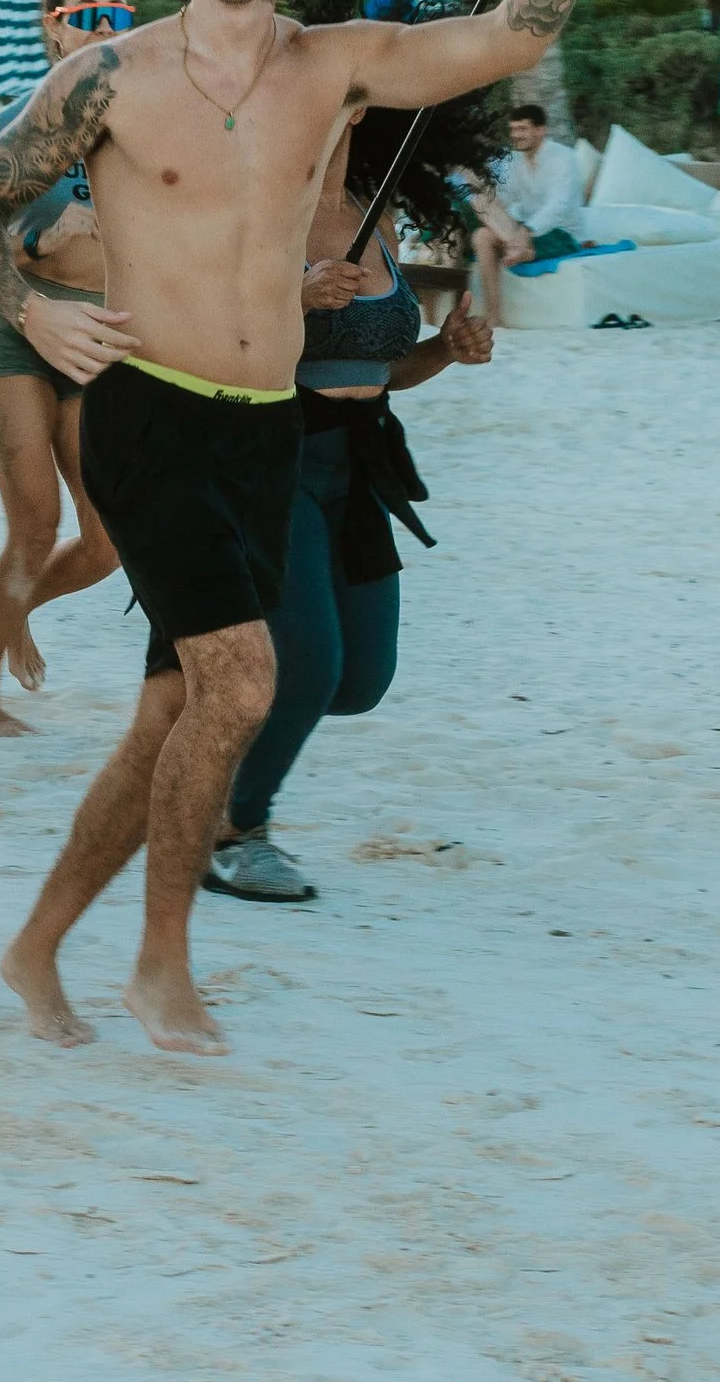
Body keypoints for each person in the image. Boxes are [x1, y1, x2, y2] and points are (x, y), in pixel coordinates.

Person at [0, 0, 616, 1054]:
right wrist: (35, 315)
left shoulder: (337, 63)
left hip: (266, 424)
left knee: (169, 718)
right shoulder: (107, 77)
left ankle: (36, 946)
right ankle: (160, 965)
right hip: (148, 415)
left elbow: (514, 32)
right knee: (244, 683)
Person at [204, 79, 499, 902]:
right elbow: (199, 333)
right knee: (309, 663)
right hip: (273, 455)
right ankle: (233, 829)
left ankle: (210, 733)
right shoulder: (251, 195)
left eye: (353, 91)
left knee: (360, 679)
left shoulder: (377, 209)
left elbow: (379, 368)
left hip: (359, 462)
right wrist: (286, 297)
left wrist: (445, 350)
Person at [0, 0, 130, 737]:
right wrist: (40, 227)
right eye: (84, 14)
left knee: (104, 544)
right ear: (54, 28)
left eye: (116, 11)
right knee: (34, 524)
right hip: (18, 335)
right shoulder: (24, 119)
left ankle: (20, 606)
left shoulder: (148, 123)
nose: (102, 25)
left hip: (97, 342)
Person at [468, 97, 588, 316]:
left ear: (541, 130)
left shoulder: (563, 157)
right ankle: (494, 315)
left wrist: (526, 231)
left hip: (560, 233)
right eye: (513, 129)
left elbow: (558, 206)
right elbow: (506, 197)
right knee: (481, 234)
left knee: (486, 232)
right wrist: (480, 189)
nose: (516, 135)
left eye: (522, 129)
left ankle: (520, 247)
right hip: (521, 232)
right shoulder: (516, 160)